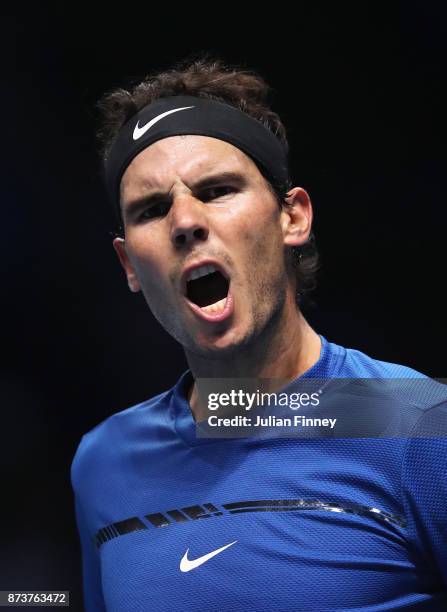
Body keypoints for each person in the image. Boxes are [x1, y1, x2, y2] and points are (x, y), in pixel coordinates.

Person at [71, 57, 447, 611]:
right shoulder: (103, 463)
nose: (185, 221)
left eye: (217, 189)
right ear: (129, 264)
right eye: (151, 209)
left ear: (292, 217)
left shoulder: (419, 427)